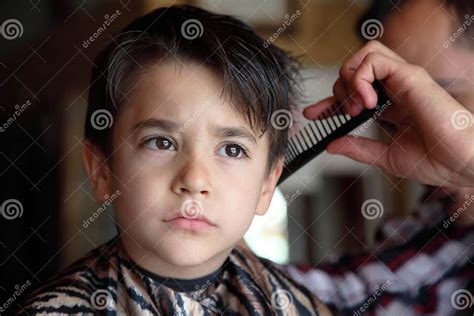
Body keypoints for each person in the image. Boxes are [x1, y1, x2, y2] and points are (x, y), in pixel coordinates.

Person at [17, 5, 333, 315]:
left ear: (267, 185)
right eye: (161, 142)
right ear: (101, 169)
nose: (194, 180)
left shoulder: (300, 308)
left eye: (232, 149)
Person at [283, 0, 474, 314]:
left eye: (440, 96)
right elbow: (343, 296)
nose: (412, 124)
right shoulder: (437, 214)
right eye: (390, 104)